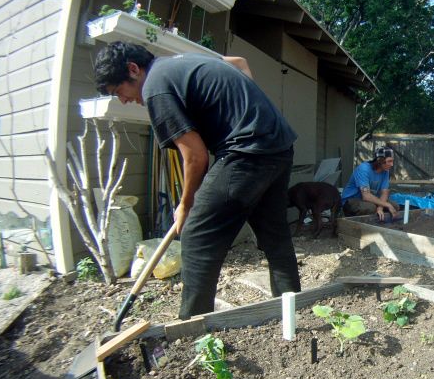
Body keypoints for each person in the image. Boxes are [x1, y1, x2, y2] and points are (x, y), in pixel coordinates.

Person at [94, 41, 301, 320]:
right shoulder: (180, 62)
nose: (123, 99)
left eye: (119, 91)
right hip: (278, 146)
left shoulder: (156, 86)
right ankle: (291, 311)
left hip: (247, 152)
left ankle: (192, 327)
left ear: (133, 69)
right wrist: (246, 112)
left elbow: (195, 156)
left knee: (196, 236)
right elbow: (239, 62)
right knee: (275, 237)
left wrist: (186, 204)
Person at [341, 147, 399, 220]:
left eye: (392, 161)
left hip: (370, 200)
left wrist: (380, 208)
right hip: (351, 200)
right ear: (380, 161)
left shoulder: (385, 171)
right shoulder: (364, 169)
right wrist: (387, 205)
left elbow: (384, 193)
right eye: (389, 161)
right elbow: (366, 196)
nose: (392, 164)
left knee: (395, 206)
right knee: (371, 208)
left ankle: (382, 225)